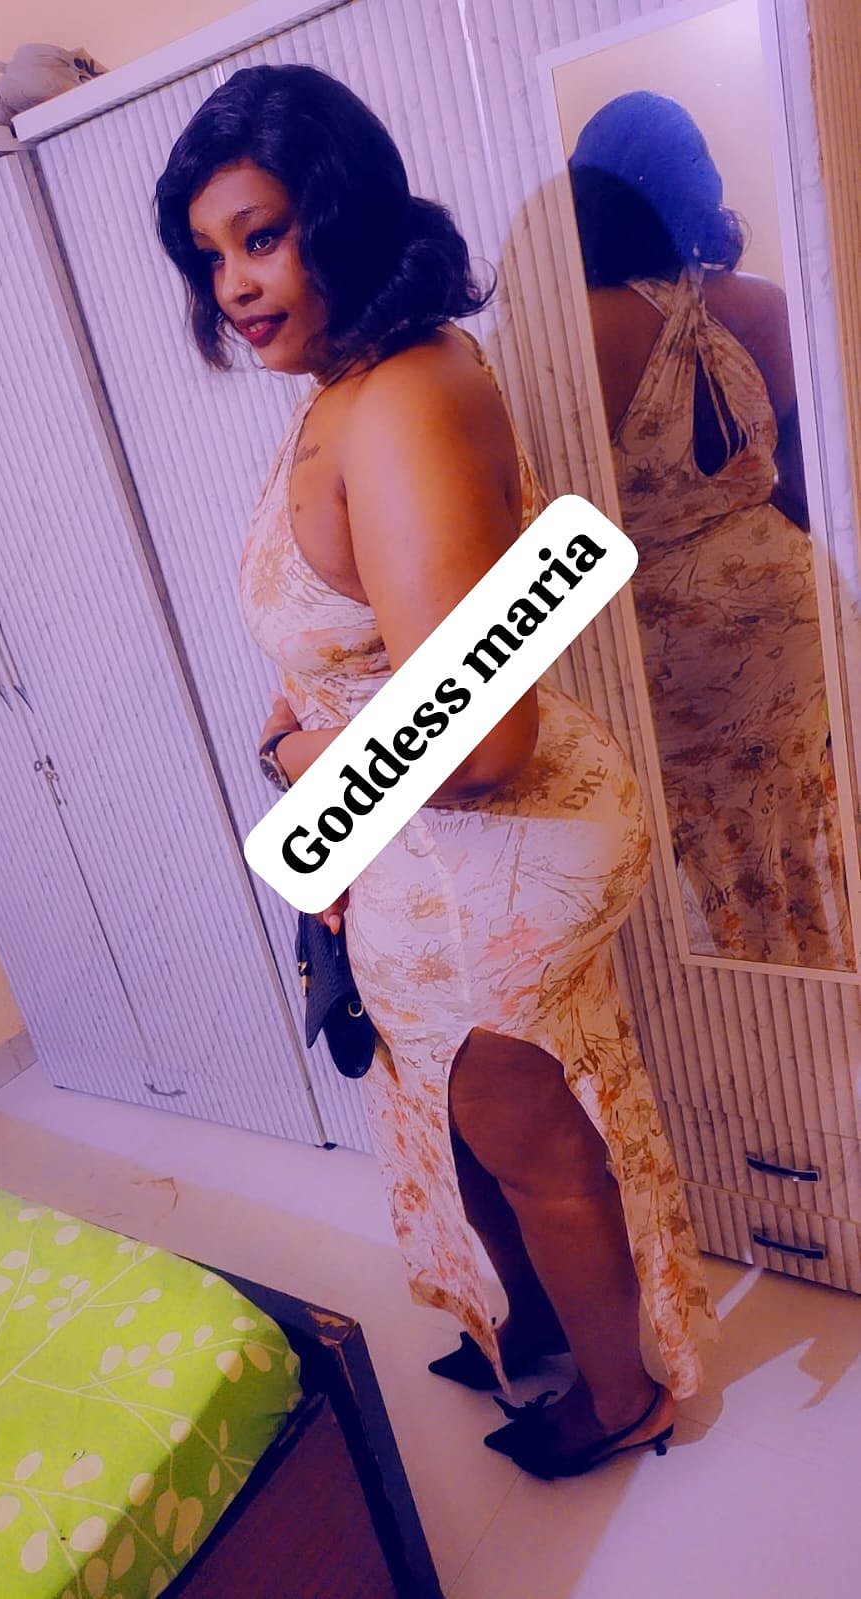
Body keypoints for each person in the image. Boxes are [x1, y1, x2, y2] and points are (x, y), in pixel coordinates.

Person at [155, 63, 718, 1480]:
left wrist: (294, 752)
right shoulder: (362, 378)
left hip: (483, 842)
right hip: (437, 832)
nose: (232, 284)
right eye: (209, 253)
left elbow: (480, 737)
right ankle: (538, 1322)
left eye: (261, 235)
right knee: (472, 1104)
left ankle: (619, 1397)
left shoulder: (399, 398)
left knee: (525, 1132)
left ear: (340, 214)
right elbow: (393, 643)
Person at [569, 91, 853, 971]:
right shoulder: (761, 305)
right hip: (788, 619)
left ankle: (758, 1020)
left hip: (661, 649)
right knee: (804, 838)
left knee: (709, 866)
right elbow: (804, 485)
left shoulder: (578, 330)